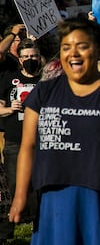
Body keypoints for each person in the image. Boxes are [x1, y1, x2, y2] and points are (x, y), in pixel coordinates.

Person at [8, 18, 100, 245]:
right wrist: (20, 195)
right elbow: (28, 146)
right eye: (66, 47)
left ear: (99, 51)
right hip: (55, 203)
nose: (73, 53)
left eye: (82, 46)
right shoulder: (43, 93)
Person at [0, 38, 43, 243]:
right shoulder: (9, 78)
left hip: (43, 143)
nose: (30, 59)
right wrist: (10, 108)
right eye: (25, 56)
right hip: (15, 143)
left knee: (41, 188)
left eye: (33, 56)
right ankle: (7, 234)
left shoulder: (47, 80)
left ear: (39, 56)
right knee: (13, 186)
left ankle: (40, 232)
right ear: (19, 58)